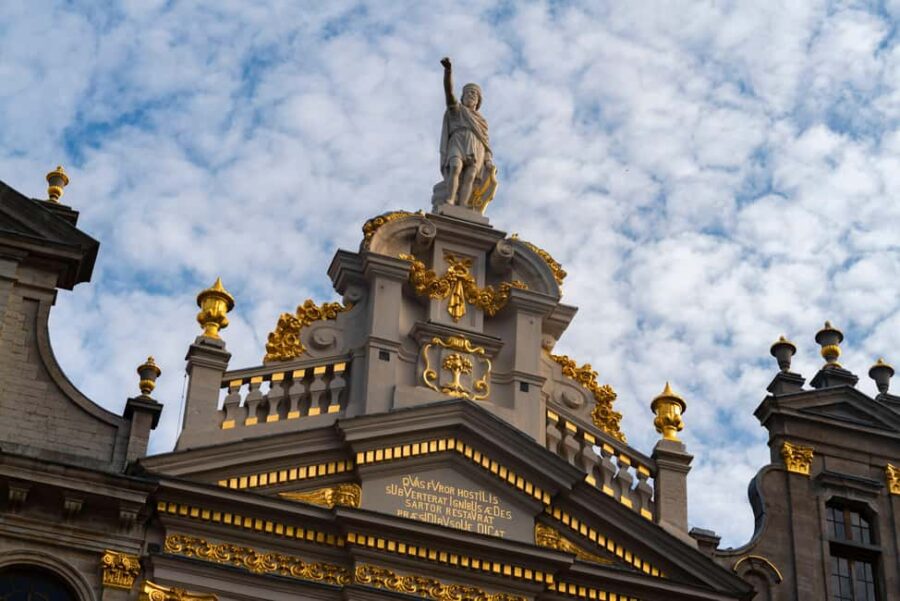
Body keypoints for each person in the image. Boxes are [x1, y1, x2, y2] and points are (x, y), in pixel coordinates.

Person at [439, 57, 495, 209]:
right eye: (468, 93)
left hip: (477, 146)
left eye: (474, 94)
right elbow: (448, 92)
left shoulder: (482, 121)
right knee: (455, 167)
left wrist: (488, 160)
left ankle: (463, 204)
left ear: (478, 101)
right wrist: (448, 71)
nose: (471, 95)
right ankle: (450, 199)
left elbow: (486, 141)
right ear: (462, 97)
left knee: (470, 176)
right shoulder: (456, 110)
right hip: (458, 140)